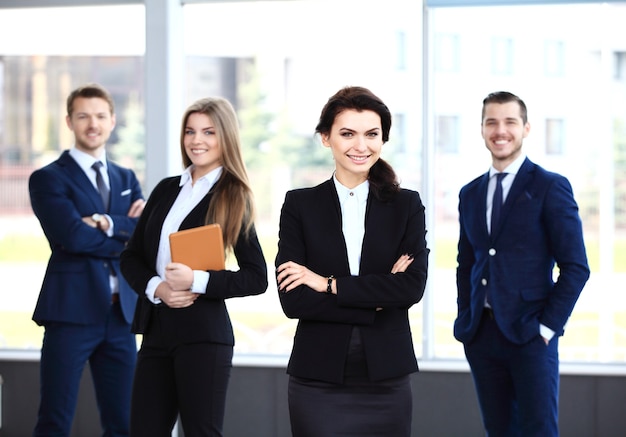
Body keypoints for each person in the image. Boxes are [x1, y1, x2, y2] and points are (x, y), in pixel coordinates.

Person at [275, 86, 429, 437]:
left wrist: (327, 284)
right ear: (326, 138)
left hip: (386, 379)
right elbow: (293, 299)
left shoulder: (406, 205)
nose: (361, 146)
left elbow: (410, 287)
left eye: (371, 134)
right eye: (348, 134)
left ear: (383, 139)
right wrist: (375, 302)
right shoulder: (300, 205)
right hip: (317, 379)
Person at [120, 96, 268, 437]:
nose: (196, 140)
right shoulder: (166, 189)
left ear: (225, 138)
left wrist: (196, 280)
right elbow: (131, 257)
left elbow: (256, 277)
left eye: (208, 132)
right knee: (143, 430)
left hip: (203, 336)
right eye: (190, 131)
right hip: (156, 331)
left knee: (201, 431)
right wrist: (157, 288)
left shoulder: (233, 195)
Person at [454, 91, 590, 437]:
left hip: (531, 335)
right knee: (498, 431)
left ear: (526, 128)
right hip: (481, 336)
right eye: (492, 122)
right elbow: (466, 262)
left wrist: (546, 328)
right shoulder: (470, 194)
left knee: (538, 430)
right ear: (482, 130)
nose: (501, 130)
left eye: (510, 122)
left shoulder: (550, 186)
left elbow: (576, 267)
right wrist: (465, 317)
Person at [28, 83, 145, 436]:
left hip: (121, 316)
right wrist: (125, 230)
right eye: (83, 116)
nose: (92, 124)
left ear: (112, 122)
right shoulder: (48, 179)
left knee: (124, 422)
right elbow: (72, 237)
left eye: (99, 116)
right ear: (69, 121)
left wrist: (103, 222)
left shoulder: (126, 178)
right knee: (55, 420)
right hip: (70, 314)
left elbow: (143, 237)